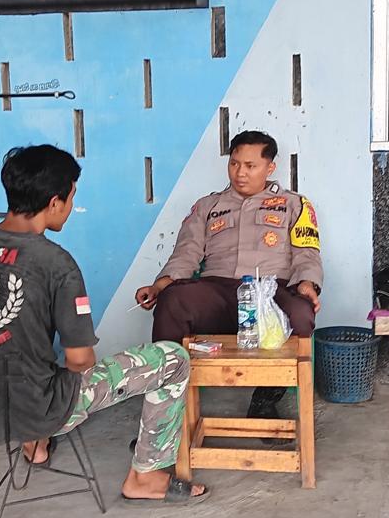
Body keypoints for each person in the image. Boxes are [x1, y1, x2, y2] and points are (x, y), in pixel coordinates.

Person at [0, 145, 208, 504]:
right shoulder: (55, 263)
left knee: (26, 360)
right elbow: (80, 361)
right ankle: (145, 477)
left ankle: (35, 447)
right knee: (173, 360)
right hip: (37, 410)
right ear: (54, 203)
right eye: (71, 198)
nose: (70, 207)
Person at [135, 130, 322, 422]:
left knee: (300, 312)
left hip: (270, 294)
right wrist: (159, 287)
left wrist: (308, 284)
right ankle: (165, 417)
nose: (240, 173)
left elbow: (306, 253)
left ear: (270, 167)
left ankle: (265, 399)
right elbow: (186, 253)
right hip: (217, 293)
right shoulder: (207, 206)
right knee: (173, 301)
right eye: (234, 164)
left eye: (250, 166)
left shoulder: (294, 205)